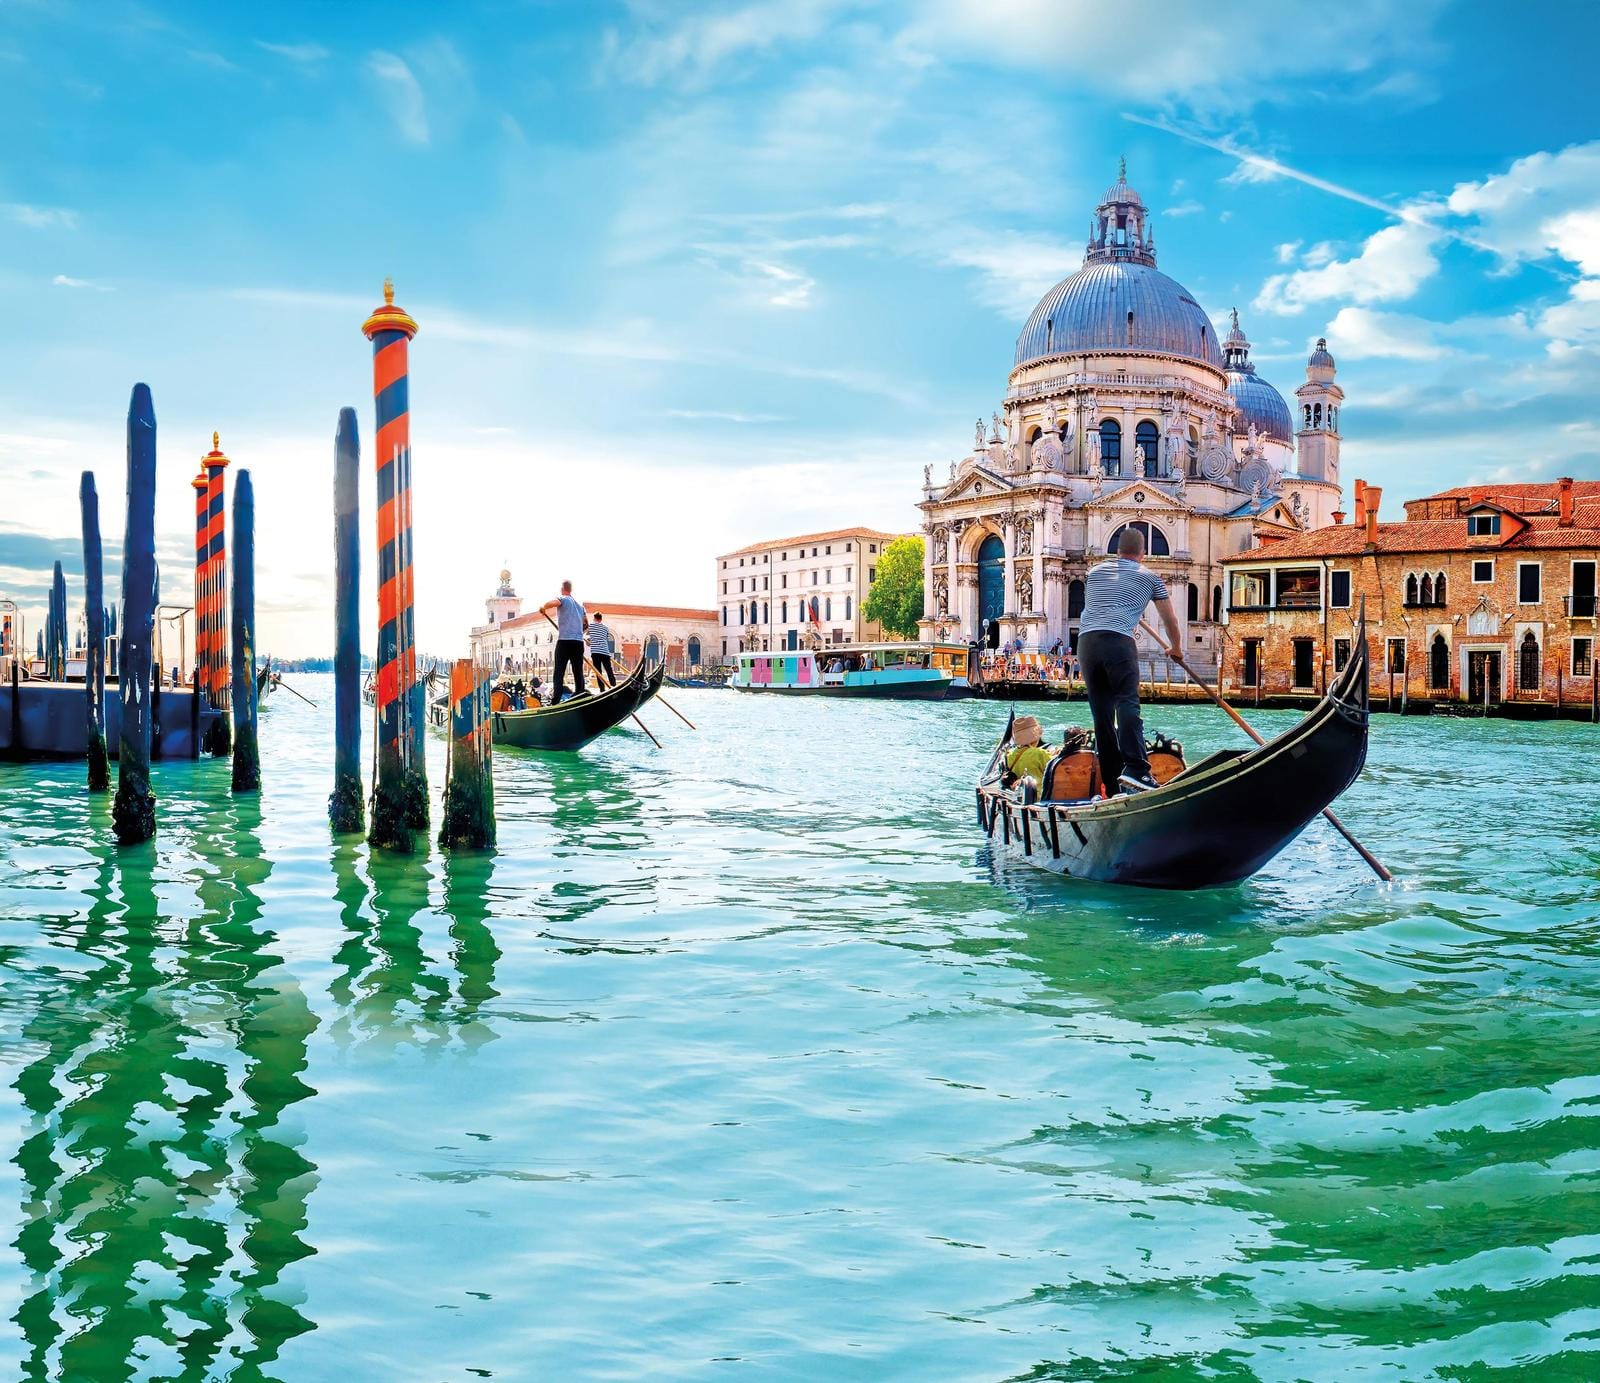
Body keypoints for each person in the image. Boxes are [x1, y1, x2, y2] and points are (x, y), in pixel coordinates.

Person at [1078, 527, 1183, 793]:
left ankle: (1113, 784)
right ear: (1143, 553)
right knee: (1127, 704)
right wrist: (1176, 648)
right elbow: (1169, 619)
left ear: (1117, 551)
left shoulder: (1094, 573)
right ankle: (1137, 770)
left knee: (1102, 715)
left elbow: (1101, 605)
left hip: (1087, 643)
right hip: (1118, 642)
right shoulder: (1150, 578)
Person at [539, 580, 587, 700]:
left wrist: (543, 607)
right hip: (578, 642)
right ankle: (580, 693)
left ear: (562, 589)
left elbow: (553, 603)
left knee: (559, 671)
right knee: (578, 671)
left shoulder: (563, 598)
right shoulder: (580, 606)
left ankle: (556, 698)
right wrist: (577, 630)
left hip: (565, 641)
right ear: (570, 589)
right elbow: (586, 624)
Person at [1004, 715, 1053, 791]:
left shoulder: (1010, 754)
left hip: (1020, 795)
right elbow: (1057, 769)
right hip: (1039, 797)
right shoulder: (1040, 754)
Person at [586, 611, 616, 688]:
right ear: (601, 619)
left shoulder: (590, 626)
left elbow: (587, 635)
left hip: (595, 652)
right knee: (609, 670)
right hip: (605, 652)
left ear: (594, 618)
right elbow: (603, 639)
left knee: (598, 672)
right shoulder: (606, 628)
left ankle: (602, 689)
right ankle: (614, 686)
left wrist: (589, 641)